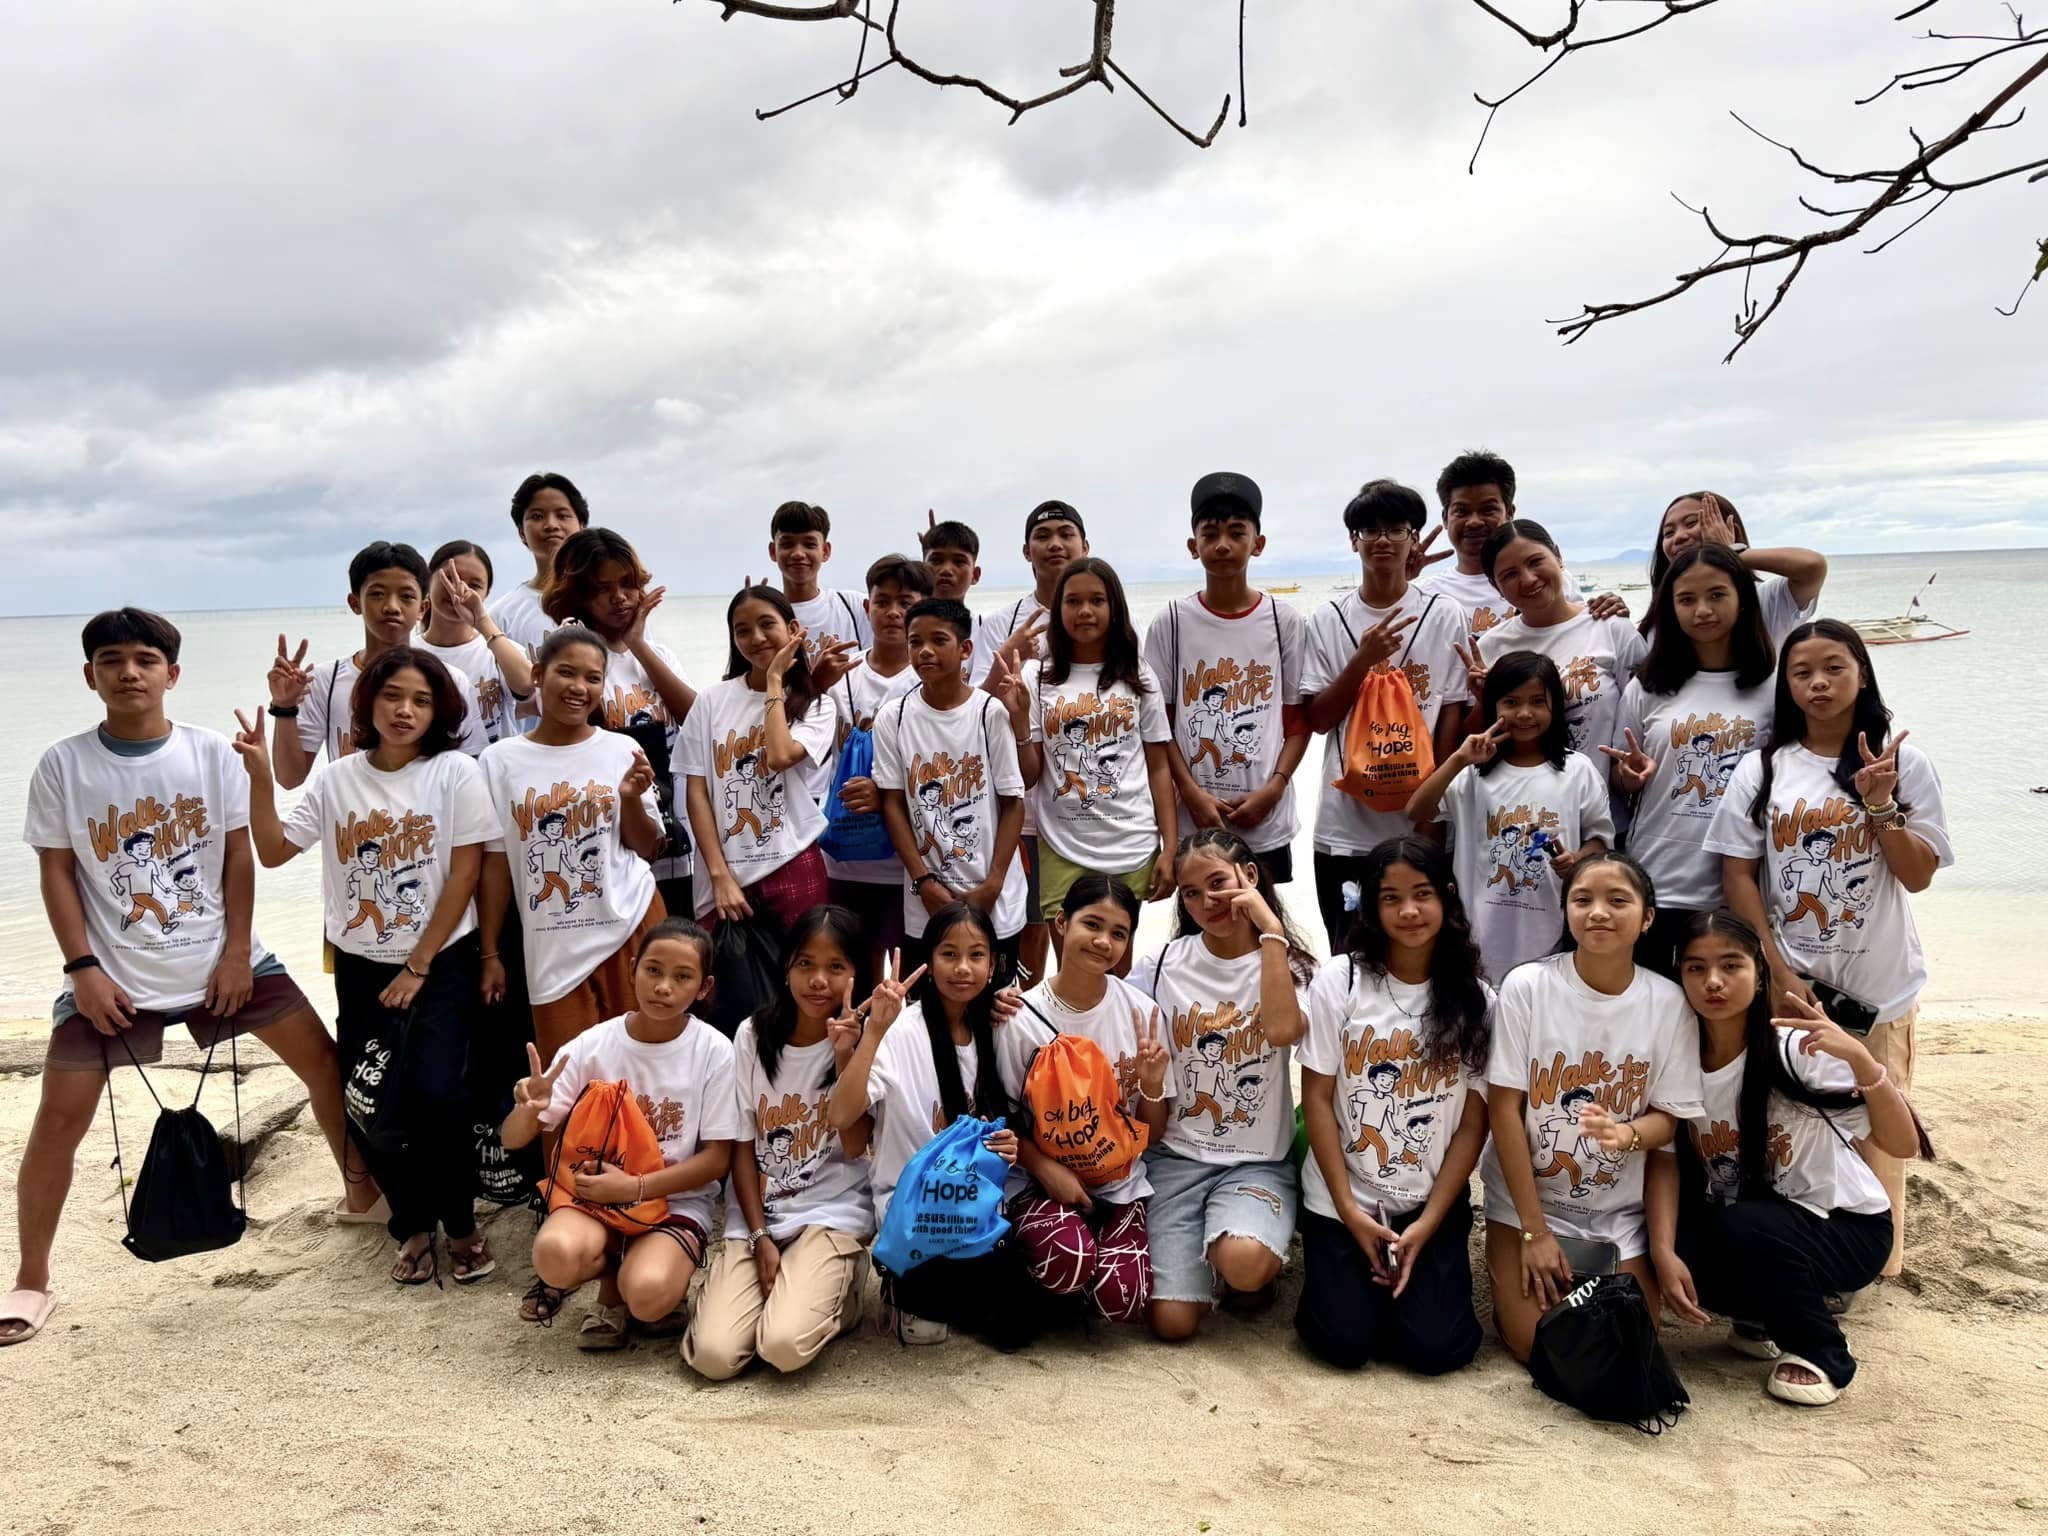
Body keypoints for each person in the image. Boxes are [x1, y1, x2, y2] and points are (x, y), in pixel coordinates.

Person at [7, 609, 354, 1346]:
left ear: (172, 672)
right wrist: (83, 970)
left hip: (227, 959)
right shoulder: (63, 765)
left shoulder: (209, 753)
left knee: (326, 1068)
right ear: (89, 675)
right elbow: (58, 873)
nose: (129, 672)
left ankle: (363, 1197)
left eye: (143, 659)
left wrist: (235, 953)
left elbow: (237, 856)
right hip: (110, 976)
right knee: (56, 1123)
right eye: (111, 660)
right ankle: (32, 1279)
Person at [236, 646, 496, 1285]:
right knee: (372, 1101)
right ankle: (410, 1223)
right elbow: (270, 852)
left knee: (440, 1095)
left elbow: (466, 872)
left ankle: (459, 1224)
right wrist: (260, 776)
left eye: (422, 700)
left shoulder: (456, 774)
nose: (405, 710)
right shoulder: (335, 778)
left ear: (440, 711)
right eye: (391, 697)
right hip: (360, 965)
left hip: (441, 964)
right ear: (367, 703)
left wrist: (419, 963)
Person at [1706, 618, 1949, 1279]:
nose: (1818, 682)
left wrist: (1880, 806)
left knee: (1878, 1117)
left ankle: (1876, 1264)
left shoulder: (1904, 765)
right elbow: (1737, 874)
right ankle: (1802, 1259)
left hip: (1881, 986)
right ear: (1785, 684)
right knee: (1795, 1124)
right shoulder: (1765, 766)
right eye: (1802, 671)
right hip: (1796, 984)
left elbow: (1919, 875)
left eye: (1834, 668)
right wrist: (1776, 968)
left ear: (1862, 673)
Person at [1647, 912, 1926, 1407]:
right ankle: (1760, 1318)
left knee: (1746, 1224)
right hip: (1761, 1228)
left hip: (1849, 1228)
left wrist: (1864, 1063)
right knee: (1678, 1242)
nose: (1713, 981)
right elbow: (1666, 1163)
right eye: (1696, 968)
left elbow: (1902, 1146)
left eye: (1730, 965)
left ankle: (1822, 1351)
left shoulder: (1796, 1050)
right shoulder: (1676, 1061)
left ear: (1758, 975)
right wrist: (1665, 1252)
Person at [1480, 853, 1705, 1364]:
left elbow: (1666, 1123)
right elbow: (1504, 1113)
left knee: (1629, 1344)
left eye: (1617, 901)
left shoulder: (1669, 1003)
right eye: (1582, 900)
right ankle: (1512, 1264)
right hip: (1528, 1205)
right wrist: (1535, 1230)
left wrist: (1625, 1134)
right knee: (1536, 1343)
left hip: (1616, 1211)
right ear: (1565, 911)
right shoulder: (1528, 987)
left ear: (1648, 918)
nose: (1598, 912)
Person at [1296, 836, 1493, 1375]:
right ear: (1370, 905)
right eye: (1391, 898)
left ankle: (1406, 1277)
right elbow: (1315, 1096)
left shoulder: (1478, 1000)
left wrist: (1428, 1223)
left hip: (1426, 1204)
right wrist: (1348, 1210)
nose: (1408, 911)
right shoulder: (1343, 978)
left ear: (1447, 899)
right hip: (1342, 1199)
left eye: (1422, 894)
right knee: (1345, 1344)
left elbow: (1472, 1126)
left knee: (1436, 1350)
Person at [503, 918, 738, 1348]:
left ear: (703, 988)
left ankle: (638, 1287)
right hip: (592, 1197)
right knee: (553, 1256)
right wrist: (527, 1110)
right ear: (632, 969)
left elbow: (716, 1159)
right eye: (653, 970)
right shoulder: (594, 1044)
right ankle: (610, 1285)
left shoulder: (715, 1051)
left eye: (681, 977)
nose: (663, 986)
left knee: (648, 1297)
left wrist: (634, 1186)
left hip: (671, 1199)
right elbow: (513, 1138)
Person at [827, 903, 1039, 1349]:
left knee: (1019, 1328)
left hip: (978, 1213)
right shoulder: (902, 1031)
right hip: (914, 1214)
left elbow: (1016, 1122)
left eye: (976, 955)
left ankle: (929, 1291)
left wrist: (1009, 1148)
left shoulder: (998, 1026)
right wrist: (872, 1033)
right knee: (930, 1331)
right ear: (928, 958)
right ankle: (903, 1288)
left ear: (994, 963)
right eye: (948, 954)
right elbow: (841, 1116)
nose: (963, 968)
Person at [1130, 829, 1314, 1341]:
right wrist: (1018, 1004)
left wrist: (1271, 930)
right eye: (1191, 893)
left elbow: (1281, 1031)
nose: (1206, 902)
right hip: (1176, 1159)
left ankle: (1244, 1249)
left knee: (1246, 1261)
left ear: (1249, 876)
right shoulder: (1163, 964)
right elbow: (1100, 1008)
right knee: (1172, 1324)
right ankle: (1211, 1248)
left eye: (1217, 884)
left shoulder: (1292, 967)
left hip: (1255, 1159)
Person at [684, 907, 877, 1379]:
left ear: (856, 973)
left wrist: (846, 1053)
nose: (819, 980)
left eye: (836, 967)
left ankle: (845, 1294)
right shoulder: (752, 1035)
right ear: (786, 966)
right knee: (714, 1356)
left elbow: (856, 1146)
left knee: (783, 1345)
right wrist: (758, 1235)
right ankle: (781, 1288)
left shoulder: (870, 1039)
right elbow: (743, 1149)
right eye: (805, 963)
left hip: (831, 1214)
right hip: (761, 1216)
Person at [477, 628, 667, 1074]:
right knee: (563, 1084)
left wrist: (630, 798)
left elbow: (646, 847)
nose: (580, 688)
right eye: (566, 673)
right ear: (538, 675)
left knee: (645, 1071)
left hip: (631, 925)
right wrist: (490, 953)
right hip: (552, 947)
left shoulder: (622, 748)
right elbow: (497, 862)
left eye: (593, 678)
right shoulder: (500, 761)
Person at [1301, 479, 1473, 952]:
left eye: (1397, 529)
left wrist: (1433, 814)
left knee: (1423, 960)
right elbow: (1317, 719)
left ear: (1414, 539)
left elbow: (1450, 713)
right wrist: (1362, 660)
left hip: (1418, 823)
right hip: (1345, 830)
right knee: (1349, 961)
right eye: (1369, 529)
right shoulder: (1328, 618)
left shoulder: (1443, 614)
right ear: (1352, 540)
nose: (1382, 540)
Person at [996, 876, 1171, 1325]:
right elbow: (1004, 1121)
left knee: (1124, 1300)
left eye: (1119, 933)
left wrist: (1151, 1083)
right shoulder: (1020, 1018)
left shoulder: (1143, 1013)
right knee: (1066, 1262)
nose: (1103, 942)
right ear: (1060, 923)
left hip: (1118, 1183)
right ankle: (1058, 1264)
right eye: (1091, 924)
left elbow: (1152, 1131)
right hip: (1038, 1181)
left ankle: (1090, 1251)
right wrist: (1046, 1169)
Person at [1607, 544, 1776, 969]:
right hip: (1656, 884)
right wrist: (1628, 776)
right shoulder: (1646, 687)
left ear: (1742, 599)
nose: (1702, 609)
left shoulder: (1772, 688)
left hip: (1739, 891)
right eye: (1686, 599)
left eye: (1717, 595)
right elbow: (1619, 777)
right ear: (1670, 608)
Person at [1142, 472, 1310, 892]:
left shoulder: (1282, 621)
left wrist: (1275, 788)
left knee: (1265, 928)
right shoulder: (1172, 622)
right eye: (1210, 533)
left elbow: (1297, 718)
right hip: (1196, 817)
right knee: (1202, 924)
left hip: (1266, 819)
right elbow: (1159, 725)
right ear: (1192, 545)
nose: (1222, 545)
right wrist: (1191, 793)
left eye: (1237, 533)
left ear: (1258, 543)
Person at [1405, 652, 1612, 981]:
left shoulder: (1578, 770)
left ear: (1554, 707)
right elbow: (1417, 809)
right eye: (1511, 702)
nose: (1525, 713)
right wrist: (1458, 759)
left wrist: (1578, 860)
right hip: (1480, 939)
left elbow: (1600, 839)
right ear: (1493, 706)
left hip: (1554, 936)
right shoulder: (1475, 774)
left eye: (1537, 702)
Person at [1018, 557, 1176, 959]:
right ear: (1059, 610)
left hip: (1130, 843)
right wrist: (1019, 718)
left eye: (1096, 600)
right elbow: (1029, 774)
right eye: (1072, 601)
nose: (1084, 610)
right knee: (1070, 969)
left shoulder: (1137, 674)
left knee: (1113, 970)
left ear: (1114, 607)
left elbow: (1159, 765)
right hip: (1061, 845)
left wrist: (1170, 846)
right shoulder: (1037, 676)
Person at [874, 597, 1029, 984]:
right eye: (914, 641)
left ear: (965, 649)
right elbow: (892, 804)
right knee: (928, 1008)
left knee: (995, 1007)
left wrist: (993, 884)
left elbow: (1013, 803)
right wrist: (923, 881)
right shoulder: (892, 718)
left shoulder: (988, 712)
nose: (924, 650)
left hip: (994, 897)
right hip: (926, 899)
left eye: (938, 640)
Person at [541, 527, 697, 913]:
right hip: (608, 843)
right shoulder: (574, 670)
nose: (619, 598)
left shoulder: (657, 656)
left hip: (674, 837)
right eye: (601, 589)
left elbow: (698, 721)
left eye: (627, 584)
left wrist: (639, 645)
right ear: (578, 595)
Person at [678, 584, 839, 933]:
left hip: (792, 860)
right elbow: (697, 792)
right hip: (726, 873)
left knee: (800, 980)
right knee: (730, 981)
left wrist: (775, 681)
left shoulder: (818, 705)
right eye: (742, 630)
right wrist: (719, 875)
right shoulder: (710, 702)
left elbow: (781, 756)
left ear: (793, 630)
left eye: (768, 624)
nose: (756, 637)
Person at [974, 500, 1089, 987]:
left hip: (1089, 813)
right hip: (1021, 812)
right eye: (1044, 536)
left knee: (1083, 945)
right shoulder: (1001, 623)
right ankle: (1031, 1045)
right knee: (1026, 938)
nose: (1056, 544)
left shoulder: (1102, 618)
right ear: (1026, 551)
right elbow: (969, 717)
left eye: (1067, 534)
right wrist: (1008, 656)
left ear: (1085, 546)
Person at [268, 541, 488, 787]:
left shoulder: (449, 679)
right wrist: (284, 707)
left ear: (422, 608)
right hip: (353, 822)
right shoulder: (325, 681)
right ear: (355, 603)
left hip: (422, 824)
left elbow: (471, 772)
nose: (391, 607)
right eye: (377, 594)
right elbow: (289, 779)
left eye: (406, 596)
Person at [822, 554, 931, 967]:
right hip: (845, 859)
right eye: (882, 601)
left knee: (915, 983)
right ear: (866, 607)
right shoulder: (839, 680)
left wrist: (886, 793)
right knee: (854, 980)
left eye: (905, 602)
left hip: (909, 865)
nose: (893, 612)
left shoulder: (932, 682)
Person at [1473, 520, 1646, 775]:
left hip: (1610, 804)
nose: (1529, 579)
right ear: (1495, 586)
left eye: (1535, 562)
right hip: (1530, 807)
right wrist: (1482, 701)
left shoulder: (1610, 627)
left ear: (1558, 556)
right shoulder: (1489, 648)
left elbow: (1647, 712)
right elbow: (1481, 744)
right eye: (1510, 574)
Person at [1642, 491, 1825, 652]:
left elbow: (1811, 566)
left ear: (1731, 531)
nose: (1679, 537)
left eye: (1691, 523)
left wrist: (1729, 552)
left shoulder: (1764, 598)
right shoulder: (1661, 617)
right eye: (1668, 533)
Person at [416, 539, 534, 746]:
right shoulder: (410, 654)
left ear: (486, 593)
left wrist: (482, 621)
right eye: (450, 578)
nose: (460, 589)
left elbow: (527, 685)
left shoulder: (499, 651)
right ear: (428, 582)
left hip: (494, 773)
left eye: (475, 585)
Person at [489, 471, 589, 662]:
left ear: (582, 526)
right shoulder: (502, 615)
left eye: (562, 515)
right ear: (521, 533)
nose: (551, 525)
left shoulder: (610, 601)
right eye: (537, 516)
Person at [767, 500, 870, 671]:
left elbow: (910, 633)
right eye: (787, 544)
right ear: (773, 551)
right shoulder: (767, 615)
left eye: (809, 544)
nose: (798, 553)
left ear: (825, 551)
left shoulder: (854, 605)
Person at [919, 515, 984, 608]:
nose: (946, 570)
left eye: (959, 562)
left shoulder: (984, 622)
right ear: (921, 572)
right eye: (936, 560)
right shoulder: (901, 619)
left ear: (975, 575)